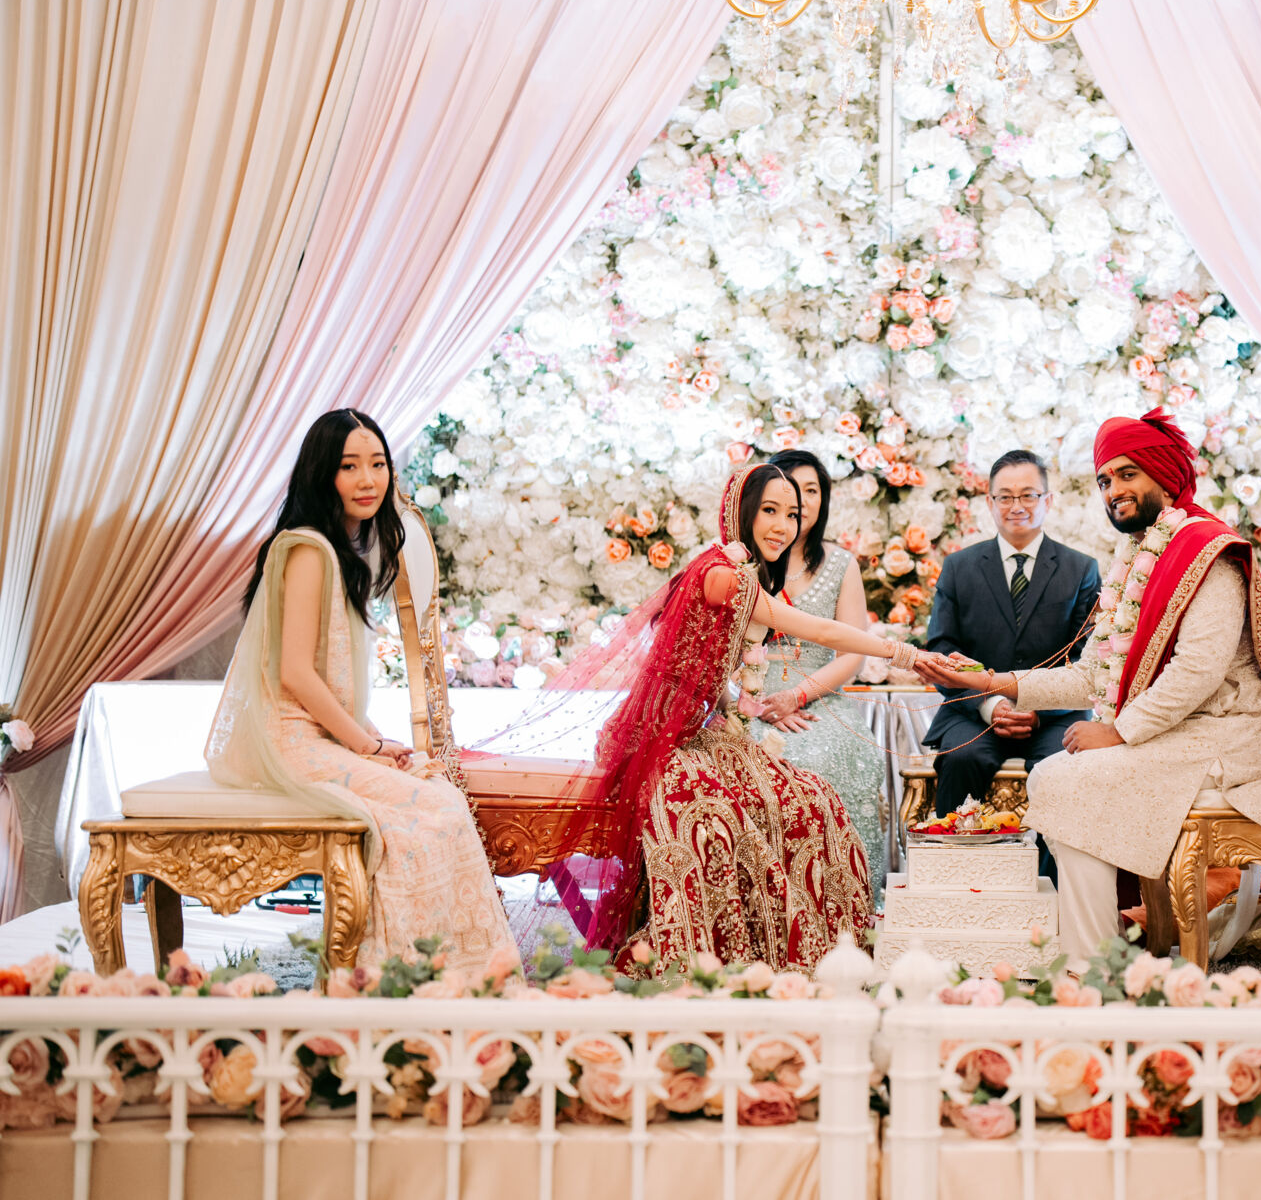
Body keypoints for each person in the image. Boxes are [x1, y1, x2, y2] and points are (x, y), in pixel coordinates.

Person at [917, 410, 1261, 959]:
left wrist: (1119, 732)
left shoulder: (1206, 552)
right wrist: (994, 681)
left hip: (1228, 743)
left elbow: (1198, 669)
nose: (1114, 490)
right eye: (1105, 480)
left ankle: (1092, 959)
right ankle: (1096, 957)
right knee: (1060, 779)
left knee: (1060, 778)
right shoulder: (1141, 557)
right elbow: (1093, 674)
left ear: (1164, 477)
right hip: (1182, 736)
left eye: (1127, 475)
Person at [529, 463, 945, 972]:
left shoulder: (735, 568)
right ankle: (749, 955)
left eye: (791, 514)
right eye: (770, 511)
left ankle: (811, 950)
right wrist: (907, 654)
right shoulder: (724, 575)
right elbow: (820, 631)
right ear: (740, 512)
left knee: (813, 798)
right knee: (755, 812)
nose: (783, 526)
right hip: (662, 742)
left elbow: (700, 664)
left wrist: (731, 707)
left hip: (695, 731)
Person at [207, 409, 516, 976]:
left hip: (319, 736)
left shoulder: (337, 549)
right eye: (349, 466)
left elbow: (328, 681)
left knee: (434, 787)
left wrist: (373, 739)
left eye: (377, 464)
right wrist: (367, 747)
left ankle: (452, 970)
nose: (368, 479)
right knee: (431, 808)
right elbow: (295, 675)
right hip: (291, 743)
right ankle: (399, 975)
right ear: (322, 474)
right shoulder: (308, 550)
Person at [922, 450, 1101, 816]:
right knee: (962, 757)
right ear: (990, 502)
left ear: (1048, 500)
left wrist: (1036, 706)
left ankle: (1052, 858)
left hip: (1055, 715)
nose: (1016, 506)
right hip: (972, 712)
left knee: (1062, 768)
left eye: (1028, 495)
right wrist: (989, 705)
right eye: (1005, 496)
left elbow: (1086, 656)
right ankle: (957, 854)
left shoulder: (1081, 569)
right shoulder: (958, 567)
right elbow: (941, 649)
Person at [747, 449, 888, 895]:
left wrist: (798, 695)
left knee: (831, 754)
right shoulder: (742, 561)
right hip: (747, 693)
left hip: (818, 695)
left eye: (811, 491)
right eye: (790, 491)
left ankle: (842, 896)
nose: (801, 502)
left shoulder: (841, 564)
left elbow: (850, 651)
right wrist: (754, 701)